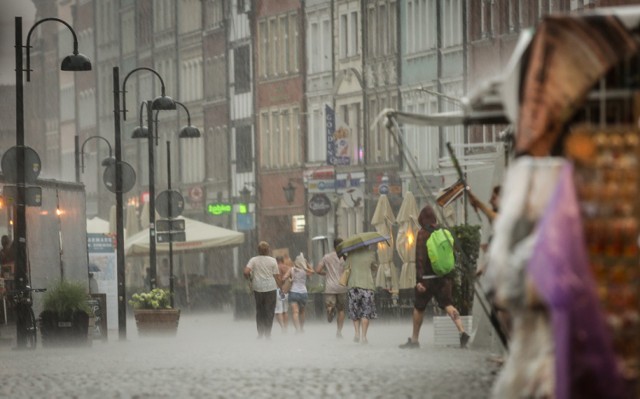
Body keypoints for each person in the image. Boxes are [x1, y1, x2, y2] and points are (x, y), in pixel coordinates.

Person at [399, 203, 470, 349]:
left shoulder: (423, 233)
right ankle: (462, 332)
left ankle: (414, 340)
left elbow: (420, 258)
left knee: (419, 308)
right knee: (448, 305)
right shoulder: (444, 231)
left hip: (427, 279)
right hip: (444, 276)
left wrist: (419, 280)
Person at [243, 241, 280, 339]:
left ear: (258, 250)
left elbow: (246, 271)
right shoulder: (272, 260)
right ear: (268, 250)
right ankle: (268, 333)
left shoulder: (253, 260)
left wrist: (249, 278)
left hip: (258, 288)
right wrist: (281, 288)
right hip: (271, 288)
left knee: (260, 311)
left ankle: (260, 333)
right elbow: (277, 276)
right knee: (270, 311)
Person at [343, 244, 378, 344]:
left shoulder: (351, 255)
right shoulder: (371, 254)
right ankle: (364, 337)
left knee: (355, 311)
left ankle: (357, 333)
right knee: (365, 313)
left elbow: (346, 268)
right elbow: (374, 267)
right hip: (367, 286)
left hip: (354, 286)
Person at [315, 237, 347, 338]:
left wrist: (327, 273)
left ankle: (330, 309)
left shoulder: (326, 257)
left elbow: (318, 270)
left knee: (330, 304)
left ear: (333, 246)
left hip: (330, 287)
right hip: (342, 286)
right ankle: (339, 332)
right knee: (341, 310)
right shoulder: (345, 258)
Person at [284, 253, 314, 334]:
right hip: (303, 293)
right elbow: (312, 272)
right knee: (302, 312)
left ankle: (297, 329)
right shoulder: (305, 271)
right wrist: (306, 264)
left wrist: (290, 278)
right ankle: (301, 328)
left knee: (295, 312)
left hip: (293, 292)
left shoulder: (291, 269)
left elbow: (284, 277)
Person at [274, 256, 290, 333]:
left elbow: (277, 279)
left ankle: (282, 327)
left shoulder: (275, 267)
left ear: (276, 261)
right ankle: (286, 328)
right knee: (285, 310)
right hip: (285, 291)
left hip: (278, 290)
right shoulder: (288, 268)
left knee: (278, 310)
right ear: (282, 261)